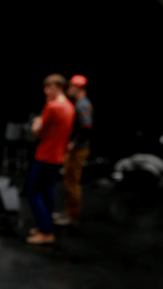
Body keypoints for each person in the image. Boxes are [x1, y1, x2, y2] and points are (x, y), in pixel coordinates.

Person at [26, 74, 75, 244]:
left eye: (49, 87)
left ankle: (45, 232)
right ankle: (45, 226)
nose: (46, 91)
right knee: (47, 192)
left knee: (33, 192)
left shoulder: (52, 106)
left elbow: (37, 132)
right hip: (58, 156)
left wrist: (36, 121)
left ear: (57, 87)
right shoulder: (69, 106)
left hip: (45, 155)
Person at [53, 74, 94, 227]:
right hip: (77, 149)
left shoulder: (82, 104)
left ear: (79, 88)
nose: (69, 89)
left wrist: (74, 143)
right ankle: (68, 212)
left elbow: (86, 127)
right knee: (68, 181)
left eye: (72, 86)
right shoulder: (79, 103)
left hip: (79, 150)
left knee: (72, 183)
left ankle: (72, 216)